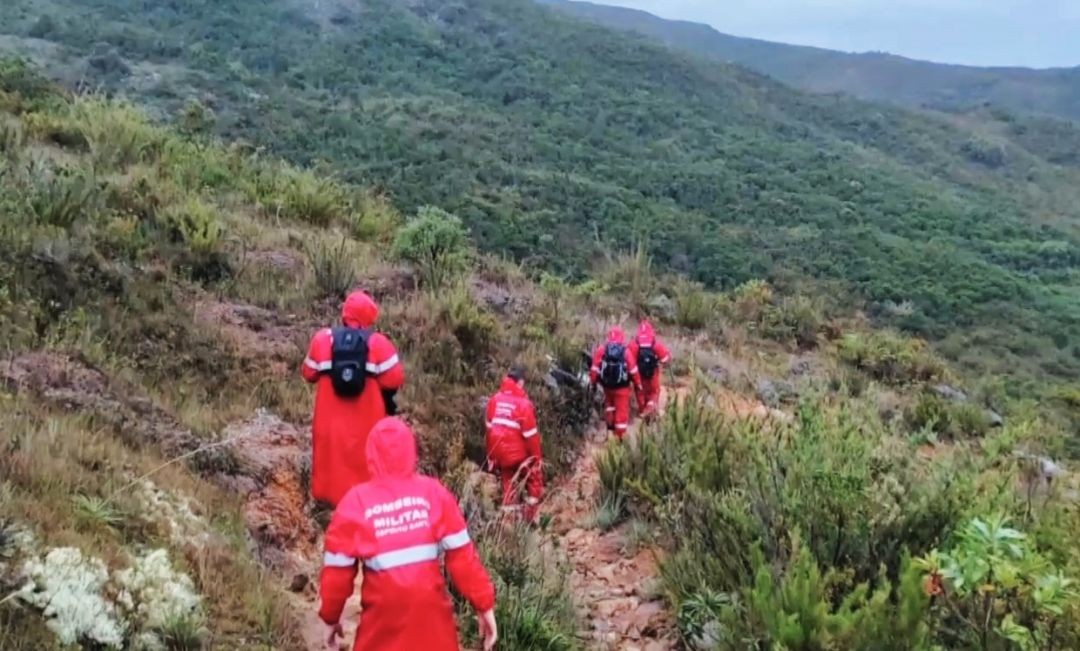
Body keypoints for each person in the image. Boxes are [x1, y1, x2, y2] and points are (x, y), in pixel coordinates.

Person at [318, 417, 498, 651]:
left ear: (370, 454)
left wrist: (331, 617)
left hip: (381, 629)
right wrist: (484, 606)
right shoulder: (434, 493)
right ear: (411, 450)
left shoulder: (355, 502)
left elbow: (337, 574)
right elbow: (463, 559)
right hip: (434, 627)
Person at [302, 290, 405, 507]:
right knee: (365, 473)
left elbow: (308, 373)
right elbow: (394, 379)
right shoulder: (379, 344)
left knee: (331, 469)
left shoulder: (322, 340)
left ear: (345, 313)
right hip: (367, 425)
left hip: (329, 426)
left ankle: (329, 513)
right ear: (370, 316)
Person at [485, 367, 544, 525]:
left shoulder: (494, 400)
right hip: (518, 454)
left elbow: (489, 430)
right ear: (520, 383)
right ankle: (530, 519)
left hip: (499, 453)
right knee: (533, 477)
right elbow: (531, 437)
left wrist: (491, 455)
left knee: (508, 483)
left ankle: (509, 523)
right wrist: (537, 460)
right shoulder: (524, 404)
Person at [590, 326, 643, 439]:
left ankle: (609, 432)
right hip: (622, 388)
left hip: (607, 386)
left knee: (609, 407)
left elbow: (594, 369)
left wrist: (593, 382)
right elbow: (633, 370)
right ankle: (619, 438)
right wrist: (638, 384)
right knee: (621, 411)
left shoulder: (602, 350)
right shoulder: (626, 352)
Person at [629, 320, 672, 420]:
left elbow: (629, 361)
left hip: (639, 376)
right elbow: (665, 359)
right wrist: (668, 356)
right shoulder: (655, 344)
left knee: (640, 392)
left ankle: (642, 411)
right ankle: (650, 409)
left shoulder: (634, 344)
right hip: (653, 375)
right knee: (654, 392)